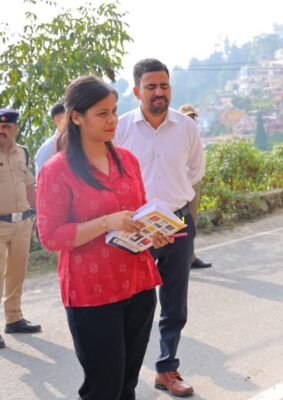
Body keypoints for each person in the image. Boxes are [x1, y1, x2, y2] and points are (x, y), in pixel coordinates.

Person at [36, 75, 170, 399]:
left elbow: (137, 214)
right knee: (103, 388)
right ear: (76, 117)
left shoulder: (128, 161)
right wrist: (106, 222)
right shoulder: (57, 170)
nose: (112, 120)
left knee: (127, 385)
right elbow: (50, 237)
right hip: (91, 292)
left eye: (114, 111)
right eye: (102, 113)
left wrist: (153, 232)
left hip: (138, 284)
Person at [114, 58, 204, 398]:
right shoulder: (121, 128)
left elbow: (194, 171)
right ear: (137, 91)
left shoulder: (186, 127)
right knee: (131, 302)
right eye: (150, 86)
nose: (158, 92)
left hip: (177, 223)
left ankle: (167, 368)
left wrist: (169, 203)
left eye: (164, 85)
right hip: (134, 225)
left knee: (174, 303)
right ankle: (122, 375)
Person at [0, 107, 42, 350]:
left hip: (22, 222)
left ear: (14, 128)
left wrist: (36, 214)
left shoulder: (22, 153)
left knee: (17, 273)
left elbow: (29, 185)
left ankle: (14, 318)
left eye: (7, 126)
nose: (2, 130)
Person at [178, 103, 212, 269]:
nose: (190, 119)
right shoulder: (175, 134)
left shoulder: (192, 133)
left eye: (192, 116)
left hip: (192, 183)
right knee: (180, 223)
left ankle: (190, 257)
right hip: (179, 186)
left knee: (192, 221)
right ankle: (184, 259)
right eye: (188, 116)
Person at [34, 102, 67, 178]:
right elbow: (42, 180)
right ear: (57, 121)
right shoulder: (47, 149)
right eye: (70, 118)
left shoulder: (81, 142)